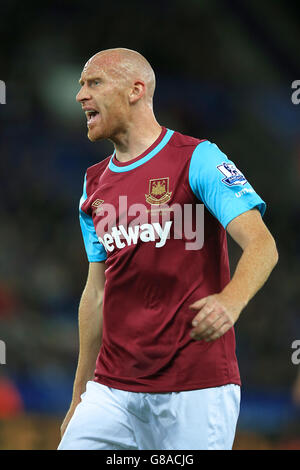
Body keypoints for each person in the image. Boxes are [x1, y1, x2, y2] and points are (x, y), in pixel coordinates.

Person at [58, 48, 278, 450]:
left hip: (197, 386)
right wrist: (79, 394)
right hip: (112, 390)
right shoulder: (93, 185)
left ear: (135, 90)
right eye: (80, 86)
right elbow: (96, 293)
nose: (80, 96)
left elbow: (263, 244)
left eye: (93, 83)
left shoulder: (198, 159)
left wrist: (231, 302)